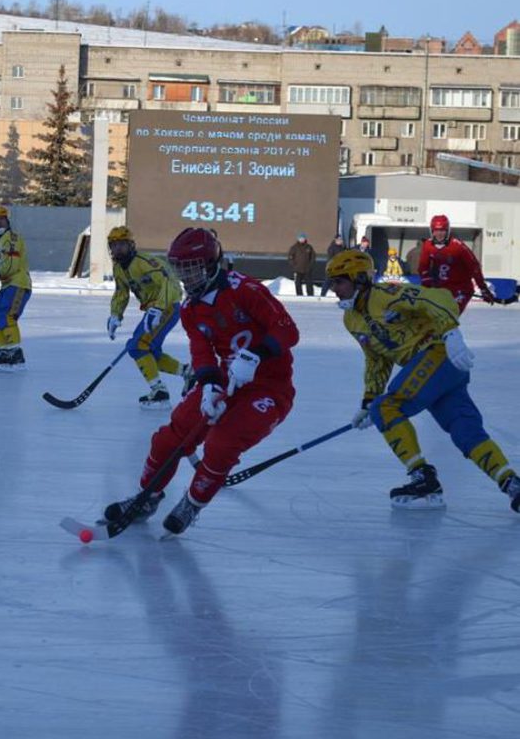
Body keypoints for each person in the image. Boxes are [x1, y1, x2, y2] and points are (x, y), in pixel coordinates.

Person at [105, 228, 300, 537]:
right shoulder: (191, 309)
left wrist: (256, 355)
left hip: (269, 388)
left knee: (221, 444)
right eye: (180, 268)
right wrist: (208, 384)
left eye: (191, 268)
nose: (184, 276)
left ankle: (192, 503)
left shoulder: (246, 290)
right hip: (225, 381)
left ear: (210, 264)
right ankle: (147, 497)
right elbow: (202, 351)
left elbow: (288, 331)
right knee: (169, 438)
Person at [324, 249, 519, 512]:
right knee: (464, 429)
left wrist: (451, 334)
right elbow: (377, 359)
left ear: (359, 278)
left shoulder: (386, 295)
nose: (334, 288)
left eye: (339, 281)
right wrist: (368, 400)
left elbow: (439, 297)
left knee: (388, 407)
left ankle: (422, 477)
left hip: (440, 355)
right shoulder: (351, 319)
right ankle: (511, 484)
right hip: (432, 374)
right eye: (332, 282)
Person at [105, 225, 188, 409]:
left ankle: (159, 392)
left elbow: (170, 283)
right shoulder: (118, 267)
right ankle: (188, 372)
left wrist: (158, 308)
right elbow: (121, 293)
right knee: (150, 352)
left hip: (166, 307)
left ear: (131, 245)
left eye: (122, 245)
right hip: (152, 310)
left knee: (136, 347)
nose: (117, 249)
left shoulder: (144, 261)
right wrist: (115, 315)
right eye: (114, 245)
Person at [0, 205, 31, 371]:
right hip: (7, 284)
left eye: (2, 219)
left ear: (7, 221)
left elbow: (12, 264)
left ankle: (15, 352)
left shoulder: (12, 238)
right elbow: (2, 264)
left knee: (6, 316)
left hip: (19, 283)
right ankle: (4, 352)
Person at [419, 214, 494, 312]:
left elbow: (474, 267)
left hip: (461, 289)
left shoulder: (458, 247)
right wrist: (426, 282)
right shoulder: (428, 245)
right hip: (441, 289)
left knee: (449, 313)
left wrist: (483, 288)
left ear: (448, 231)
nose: (439, 234)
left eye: (442, 231)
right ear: (432, 231)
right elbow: (423, 267)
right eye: (436, 231)